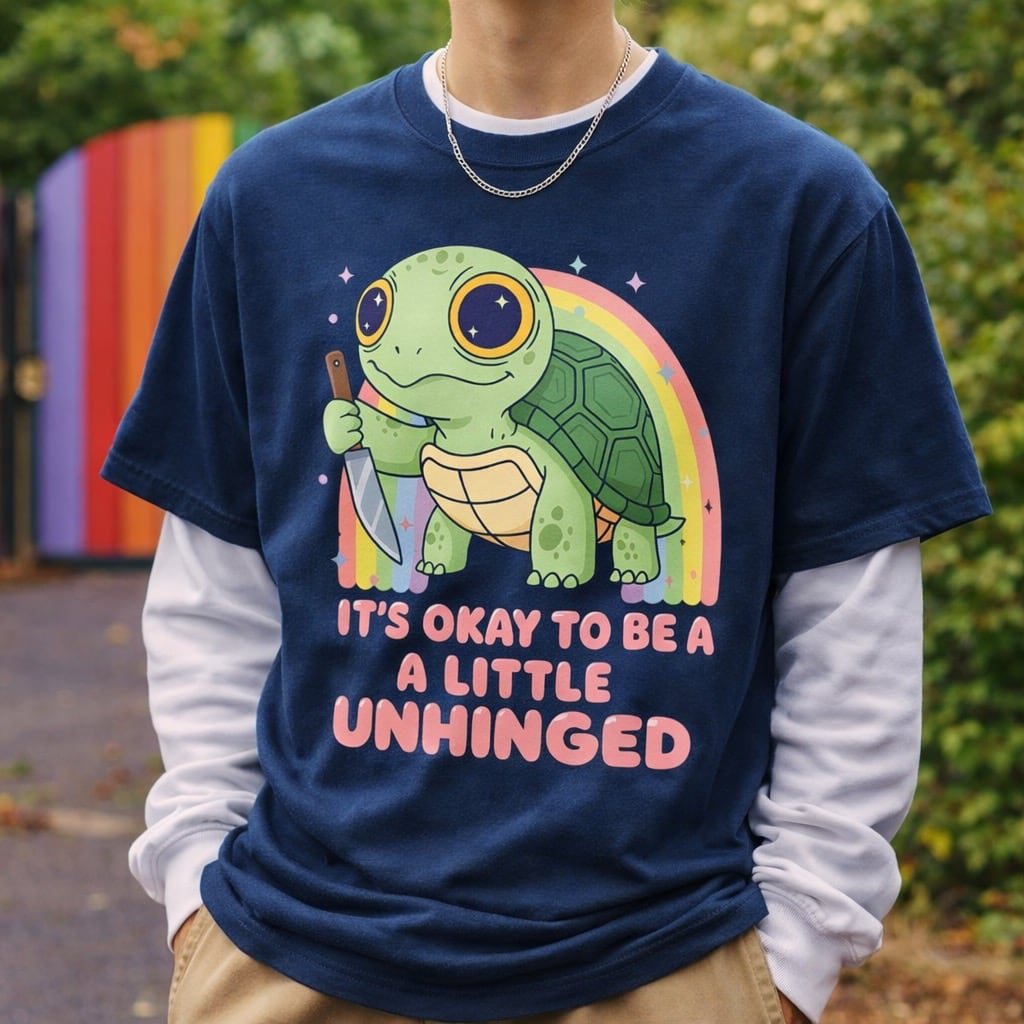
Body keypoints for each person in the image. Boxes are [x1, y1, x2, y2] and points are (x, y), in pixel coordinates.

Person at [103, 2, 990, 1021]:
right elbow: (215, 591)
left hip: (663, 955)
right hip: (291, 950)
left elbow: (852, 618)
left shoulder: (801, 203)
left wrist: (793, 952)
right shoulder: (272, 197)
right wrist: (195, 878)